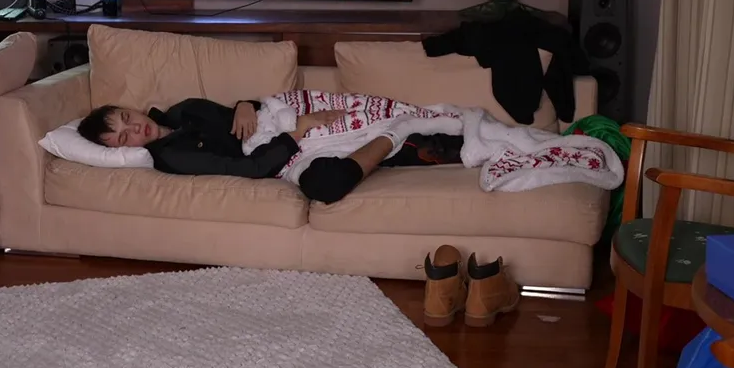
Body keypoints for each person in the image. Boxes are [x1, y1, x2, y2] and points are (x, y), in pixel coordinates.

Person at [77, 98, 463, 203]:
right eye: (124, 138)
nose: (135, 128)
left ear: (129, 108)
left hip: (278, 122)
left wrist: (245, 104)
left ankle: (425, 140)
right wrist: (298, 131)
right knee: (323, 184)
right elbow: (251, 168)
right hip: (280, 151)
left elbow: (244, 112)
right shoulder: (171, 156)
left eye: (126, 118)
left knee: (355, 123)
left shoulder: (186, 108)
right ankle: (400, 134)